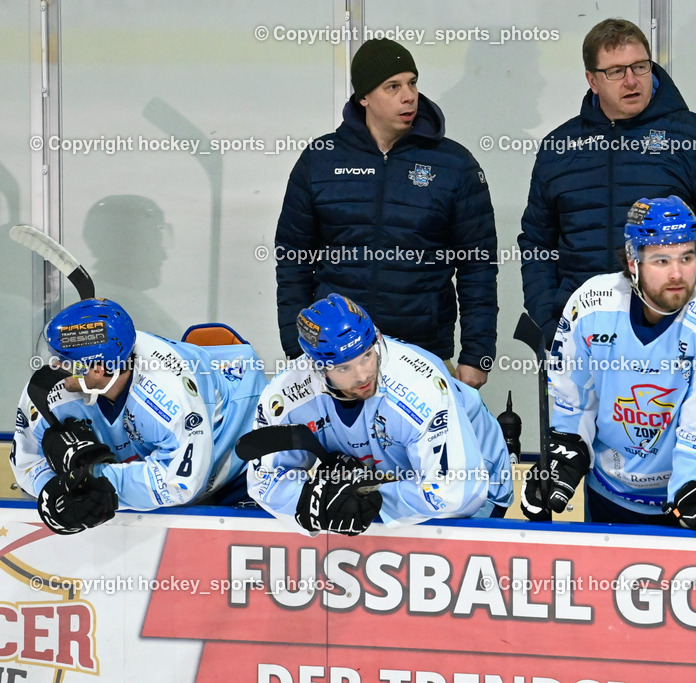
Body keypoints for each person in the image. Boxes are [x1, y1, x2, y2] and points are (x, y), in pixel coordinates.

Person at [519, 18, 696, 345]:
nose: (631, 81)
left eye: (640, 67)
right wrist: (552, 320)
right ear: (592, 80)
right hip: (584, 336)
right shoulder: (559, 147)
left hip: (673, 334)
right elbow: (537, 243)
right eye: (616, 71)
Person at [520, 196, 696, 534]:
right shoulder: (591, 305)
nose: (678, 273)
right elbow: (574, 403)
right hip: (613, 492)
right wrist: (564, 455)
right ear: (633, 262)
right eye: (661, 260)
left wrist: (690, 483)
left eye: (687, 257)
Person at [275, 38, 497, 388]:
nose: (408, 96)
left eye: (412, 83)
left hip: (424, 353)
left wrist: (476, 355)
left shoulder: (455, 165)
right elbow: (293, 259)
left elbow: (478, 267)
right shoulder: (320, 161)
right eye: (392, 86)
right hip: (337, 355)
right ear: (364, 97)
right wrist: (296, 343)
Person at [247, 294, 513, 536]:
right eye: (343, 369)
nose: (362, 375)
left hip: (476, 483)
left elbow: (458, 492)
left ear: (377, 339)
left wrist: (362, 497)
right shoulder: (286, 394)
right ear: (316, 368)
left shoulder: (418, 386)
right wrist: (315, 502)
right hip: (395, 482)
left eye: (366, 356)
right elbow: (263, 481)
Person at [11, 298, 267, 535]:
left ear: (98, 371)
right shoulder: (53, 387)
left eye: (64, 361)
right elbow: (27, 462)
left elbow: (179, 485)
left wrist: (96, 483)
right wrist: (54, 489)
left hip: (232, 435)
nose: (54, 367)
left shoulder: (168, 398)